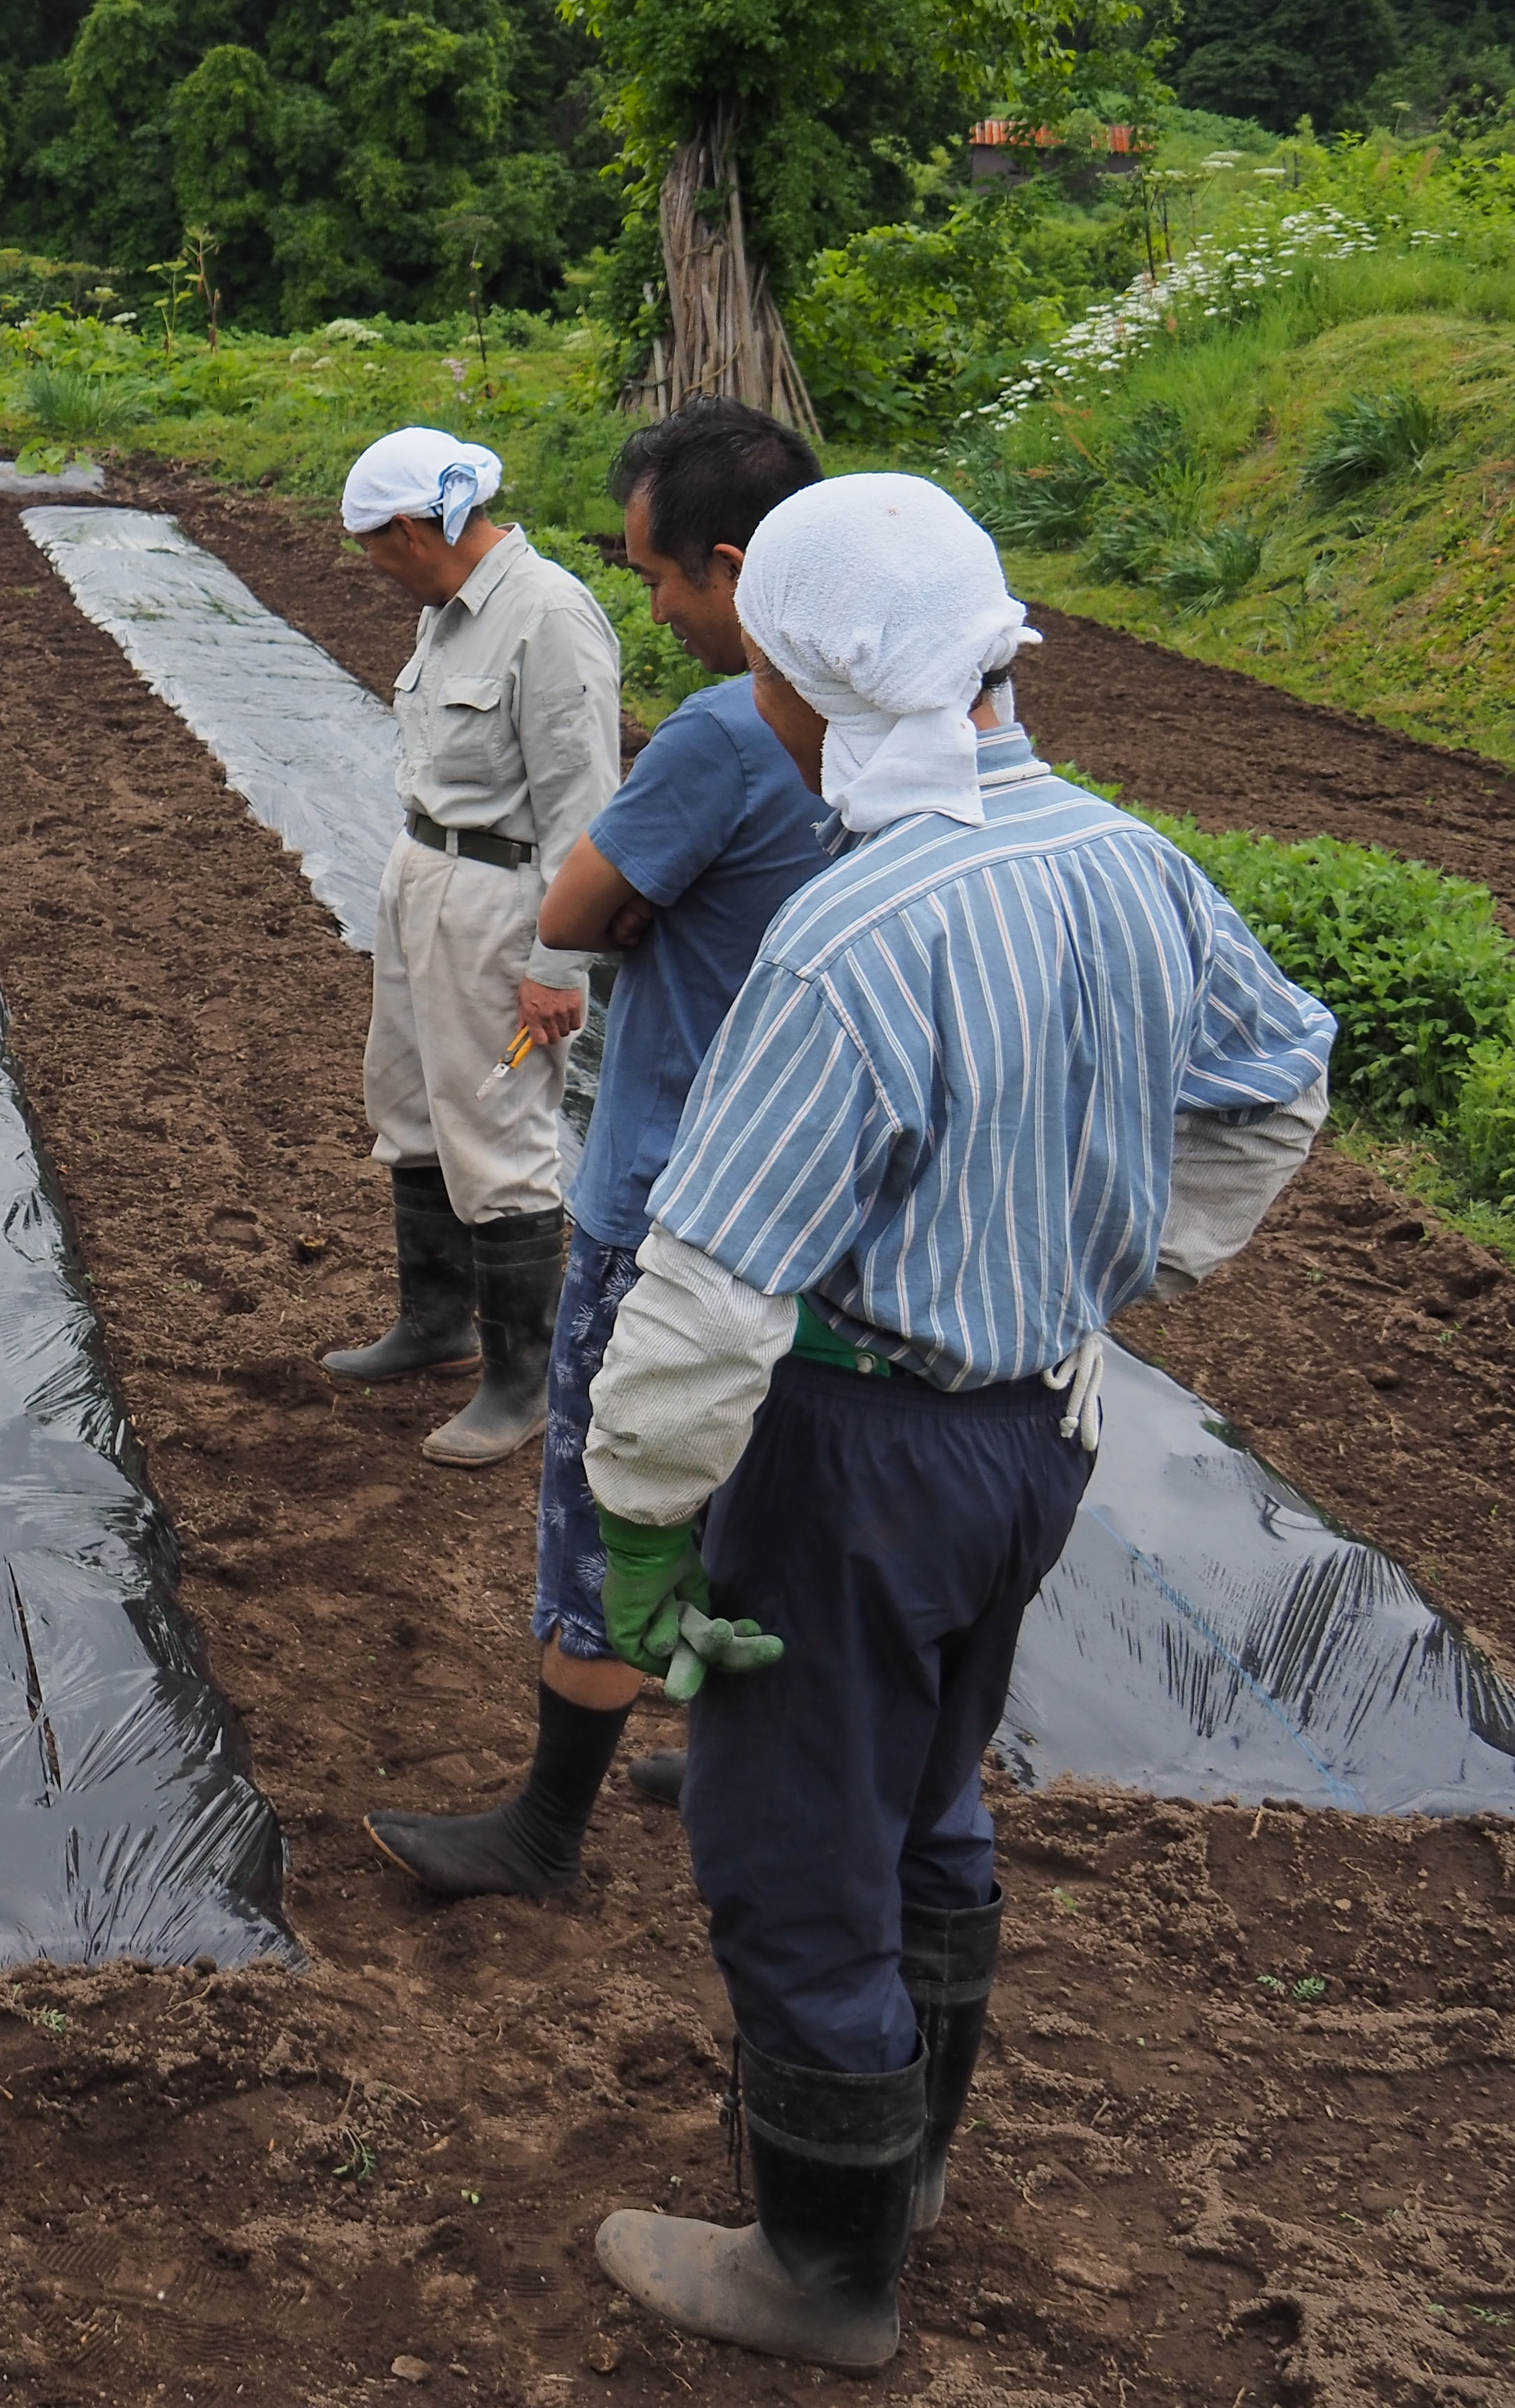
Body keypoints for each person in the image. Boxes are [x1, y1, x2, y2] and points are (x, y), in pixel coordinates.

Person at [571, 475, 1335, 2371]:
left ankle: (824, 2270)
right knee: (928, 1795)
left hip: (855, 1452)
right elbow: (1275, 1082)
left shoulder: (854, 935)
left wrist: (644, 1540)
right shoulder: (1126, 857)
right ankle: (901, 2172)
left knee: (788, 1846)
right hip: (1037, 1431)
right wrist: (1106, 1270)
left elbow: (704, 1299)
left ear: (811, 678)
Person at [367, 398, 824, 1901]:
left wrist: (573, 946)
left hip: (678, 1173)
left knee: (611, 1491)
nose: (656, 605)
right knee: (761, 1480)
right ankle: (742, 1735)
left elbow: (582, 871)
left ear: (736, 565)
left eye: (666, 579)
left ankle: (546, 1828)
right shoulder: (917, 742)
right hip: (804, 1180)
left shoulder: (718, 720)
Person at [321, 426, 622, 1467]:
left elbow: (586, 810)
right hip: (424, 875)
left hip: (503, 899)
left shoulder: (547, 618)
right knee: (407, 1105)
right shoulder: (447, 613)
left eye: (371, 541)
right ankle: (436, 1327)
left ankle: (520, 1381)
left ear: (412, 530)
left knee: (498, 1131)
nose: (367, 562)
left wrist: (557, 963)